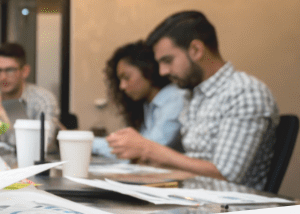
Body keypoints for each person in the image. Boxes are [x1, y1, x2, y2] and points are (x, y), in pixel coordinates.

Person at [106, 11, 278, 190]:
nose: (163, 71)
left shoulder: (244, 92)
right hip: (192, 199)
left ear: (196, 50)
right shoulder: (194, 95)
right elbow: (192, 164)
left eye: (168, 60)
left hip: (227, 209)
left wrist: (149, 149)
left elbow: (225, 174)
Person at [93, 41, 186, 159]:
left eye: (126, 78)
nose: (122, 86)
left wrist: (88, 142)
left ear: (148, 70)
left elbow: (146, 148)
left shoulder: (175, 99)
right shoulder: (149, 105)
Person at [0, 43, 59, 144]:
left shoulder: (43, 100)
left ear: (25, 71)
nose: (3, 77)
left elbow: (41, 143)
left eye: (9, 70)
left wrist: (5, 120)